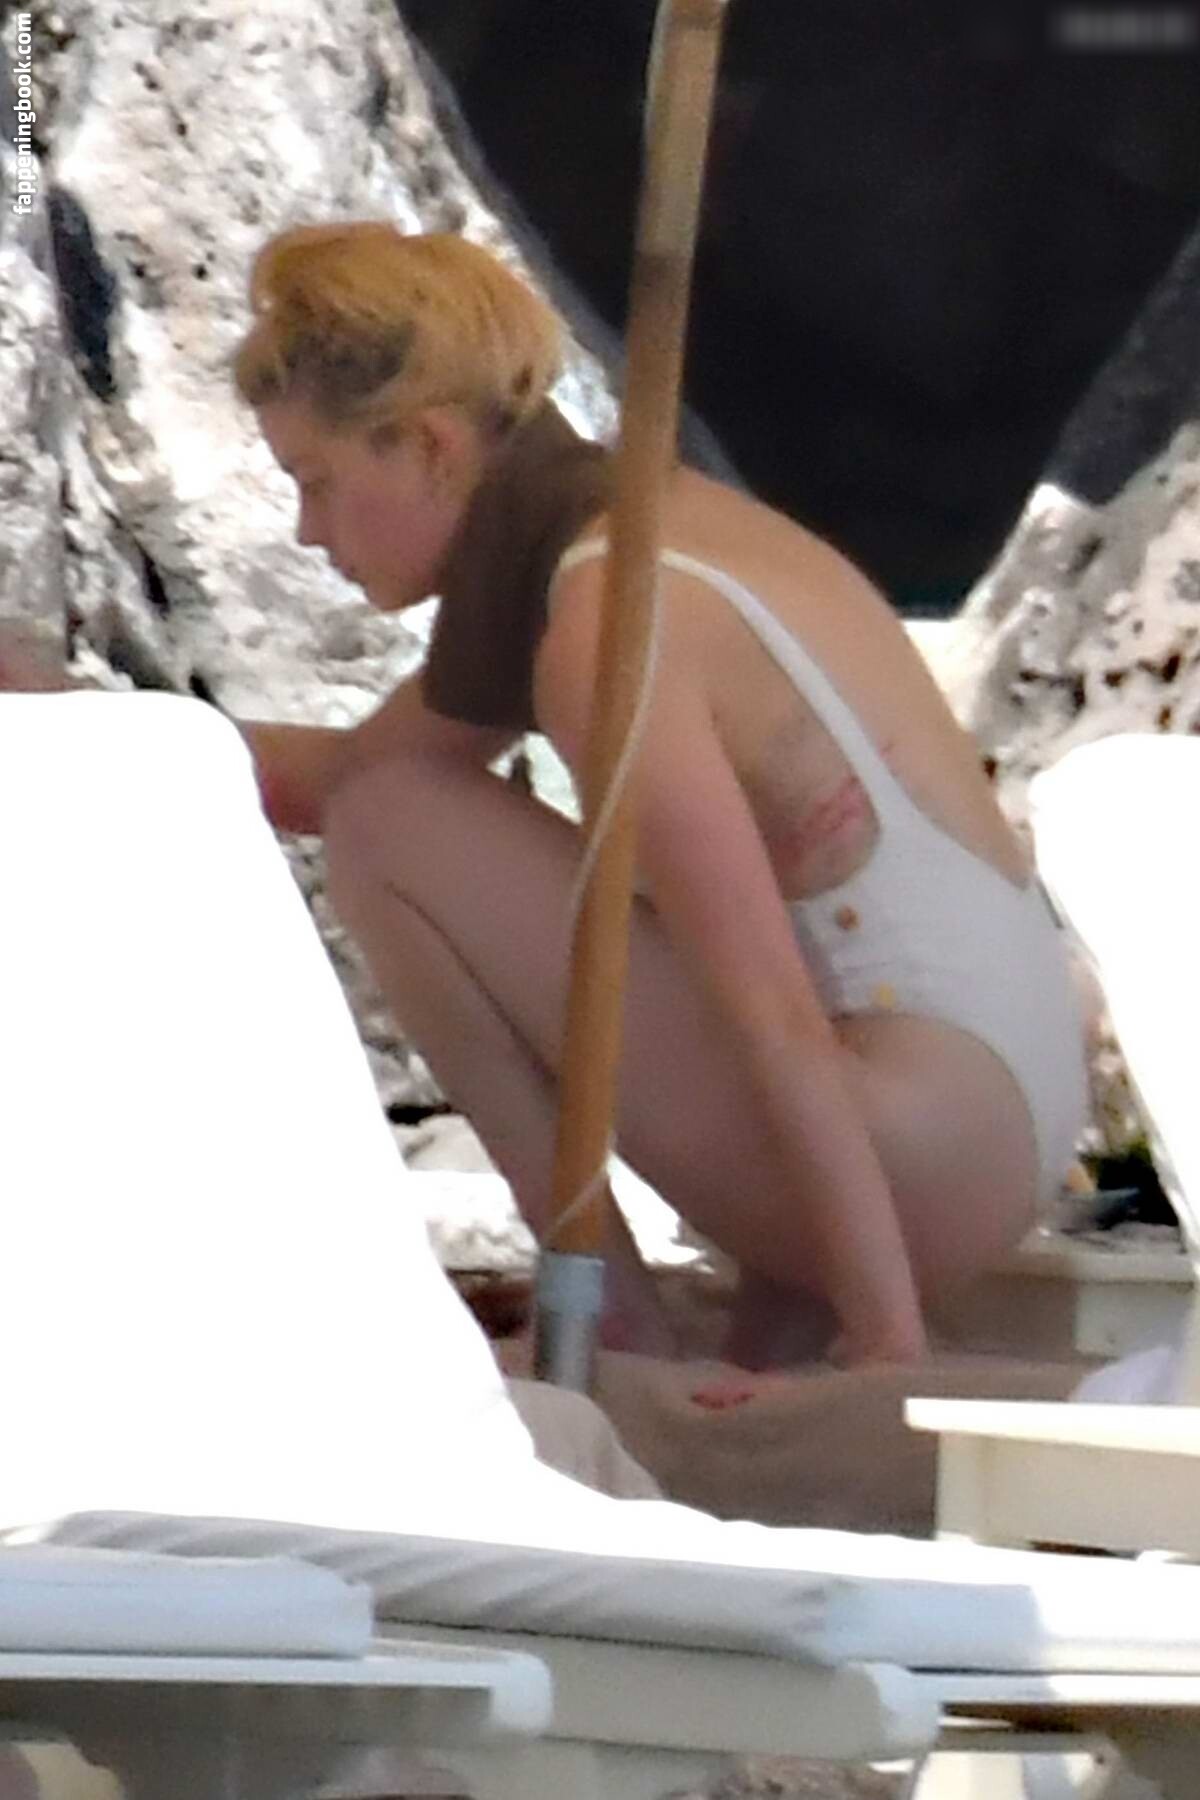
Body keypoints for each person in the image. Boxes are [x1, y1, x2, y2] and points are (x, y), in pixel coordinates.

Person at [230, 220, 1085, 1371]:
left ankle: (615, 1317)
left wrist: (885, 1341)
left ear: (428, 447)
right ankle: (787, 1302)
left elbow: (770, 1007)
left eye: (316, 482)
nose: (307, 531)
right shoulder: (629, 524)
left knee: (386, 828)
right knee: (385, 801)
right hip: (982, 1113)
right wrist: (81, 715)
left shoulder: (606, 619)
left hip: (931, 1151)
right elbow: (334, 769)